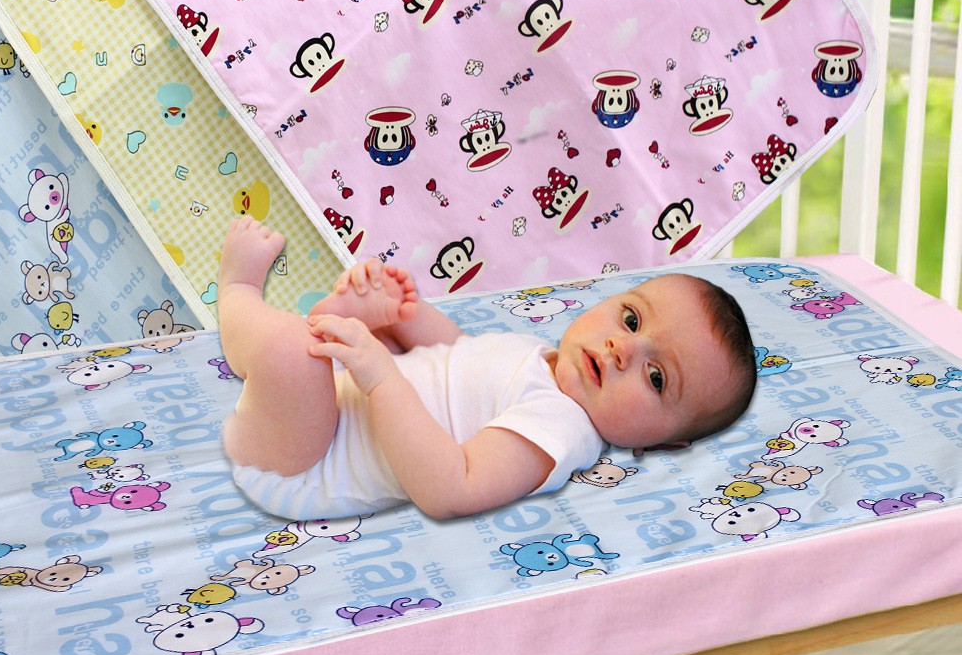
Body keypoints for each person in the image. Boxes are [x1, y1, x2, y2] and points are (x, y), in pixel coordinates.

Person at [219, 216, 757, 521]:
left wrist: (380, 376)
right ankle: (317, 335)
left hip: (308, 464)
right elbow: (458, 361)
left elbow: (451, 487)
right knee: (325, 341)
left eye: (657, 378)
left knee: (293, 350)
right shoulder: (539, 354)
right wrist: (405, 316)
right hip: (332, 409)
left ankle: (238, 291)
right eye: (632, 318)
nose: (623, 349)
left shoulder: (561, 428)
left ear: (664, 442)